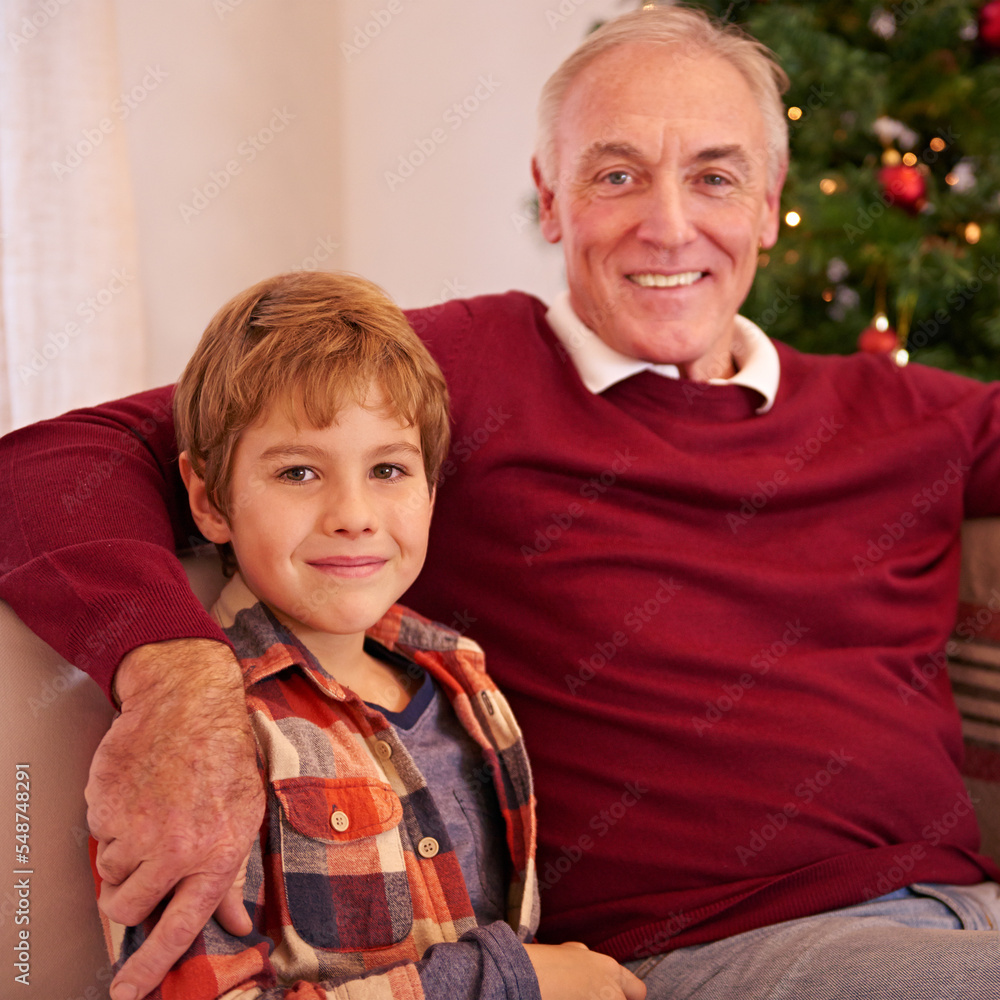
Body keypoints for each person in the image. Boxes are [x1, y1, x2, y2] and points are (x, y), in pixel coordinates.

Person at [3, 4, 1000, 999]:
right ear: (550, 199)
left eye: (714, 176)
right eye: (616, 176)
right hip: (727, 950)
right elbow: (55, 460)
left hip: (968, 912)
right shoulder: (447, 377)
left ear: (770, 197)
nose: (668, 224)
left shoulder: (912, 416)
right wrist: (176, 676)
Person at [91, 268, 643, 1000]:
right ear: (209, 498)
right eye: (298, 472)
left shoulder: (464, 680)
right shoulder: (198, 743)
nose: (354, 513)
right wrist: (515, 982)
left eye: (388, 468)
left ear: (431, 486)